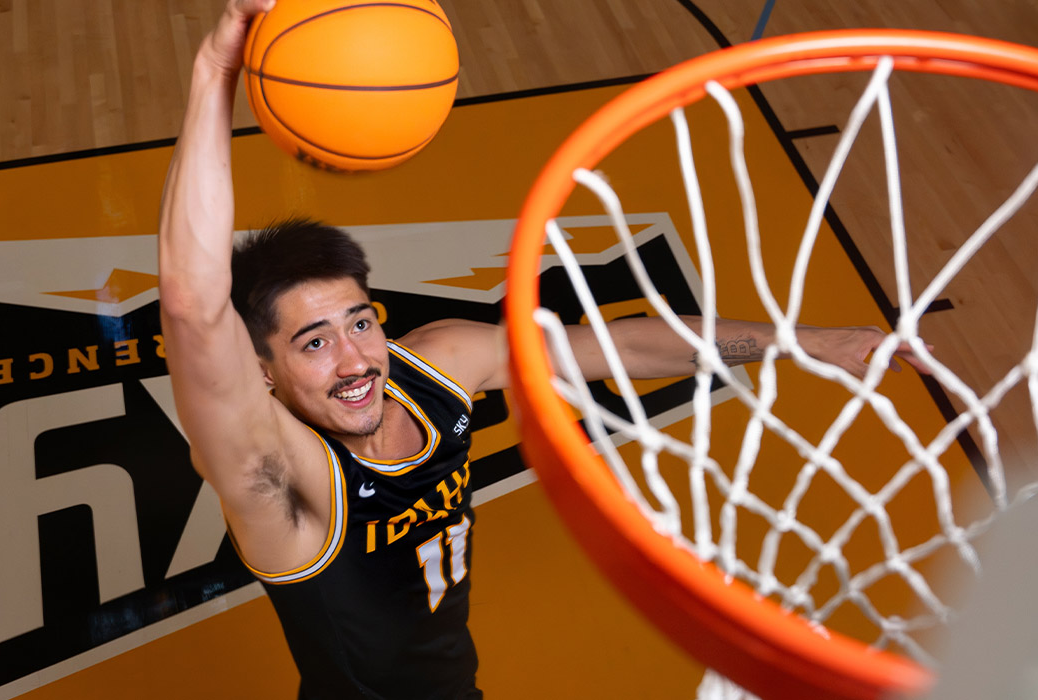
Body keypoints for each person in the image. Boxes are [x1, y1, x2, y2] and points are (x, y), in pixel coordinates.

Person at [157, 1, 931, 697]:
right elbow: (194, 311)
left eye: (360, 323)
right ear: (263, 370)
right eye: (313, 342)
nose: (355, 359)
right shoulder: (283, 483)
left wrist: (804, 341)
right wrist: (217, 66)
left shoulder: (439, 366)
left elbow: (621, 347)